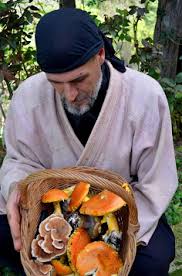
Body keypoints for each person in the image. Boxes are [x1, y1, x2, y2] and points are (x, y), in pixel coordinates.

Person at [0, 7, 178, 276]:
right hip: (53, 210)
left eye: (78, 79)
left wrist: (105, 230)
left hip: (123, 211)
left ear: (101, 55)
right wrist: (17, 186)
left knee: (154, 259)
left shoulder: (145, 96)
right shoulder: (28, 97)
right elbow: (20, 160)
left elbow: (156, 181)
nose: (69, 95)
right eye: (56, 83)